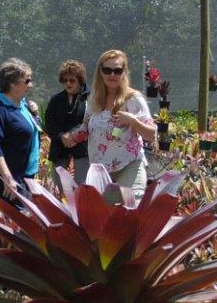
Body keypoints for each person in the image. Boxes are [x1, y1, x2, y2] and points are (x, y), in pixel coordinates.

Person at [65, 49, 156, 202]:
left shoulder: (133, 99)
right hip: (100, 171)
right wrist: (75, 135)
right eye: (107, 70)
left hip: (129, 165)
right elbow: (85, 125)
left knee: (131, 209)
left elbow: (152, 135)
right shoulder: (94, 98)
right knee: (102, 218)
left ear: (124, 72)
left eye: (117, 70)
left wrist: (132, 120)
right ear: (101, 72)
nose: (112, 75)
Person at [0, 59, 41, 202]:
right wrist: (7, 178)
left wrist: (35, 114)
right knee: (18, 221)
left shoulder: (22, 104)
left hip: (26, 176)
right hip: (11, 182)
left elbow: (29, 130)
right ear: (13, 84)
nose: (31, 85)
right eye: (27, 81)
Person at [45, 60, 90, 187]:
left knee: (82, 185)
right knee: (59, 184)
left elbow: (89, 119)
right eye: (65, 80)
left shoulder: (90, 97)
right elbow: (49, 121)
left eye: (72, 80)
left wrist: (73, 136)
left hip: (82, 146)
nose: (68, 83)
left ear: (80, 80)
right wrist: (61, 135)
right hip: (60, 146)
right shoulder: (56, 99)